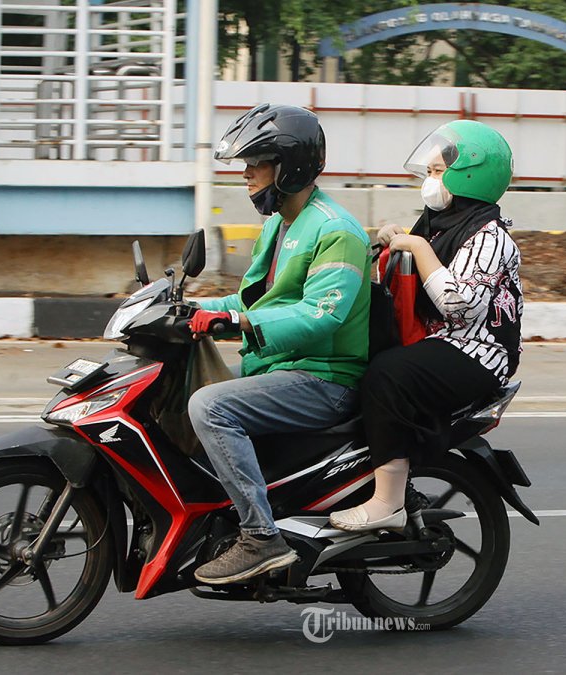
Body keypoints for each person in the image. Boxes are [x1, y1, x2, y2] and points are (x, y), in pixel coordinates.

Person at [188, 103, 372, 584]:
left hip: (323, 377)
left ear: (289, 167)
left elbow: (320, 315)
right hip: (279, 368)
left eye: (256, 164)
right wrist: (189, 307)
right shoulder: (281, 222)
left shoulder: (336, 231)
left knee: (210, 407)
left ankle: (260, 537)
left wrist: (239, 322)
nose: (246, 176)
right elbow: (256, 297)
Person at [330, 120, 524, 532]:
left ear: (470, 174)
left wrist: (417, 248)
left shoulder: (490, 236)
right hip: (442, 342)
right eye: (431, 172)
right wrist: (392, 238)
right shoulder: (437, 226)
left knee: (389, 375)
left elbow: (460, 307)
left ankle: (387, 501)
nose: (430, 181)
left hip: (477, 353)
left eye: (438, 173)